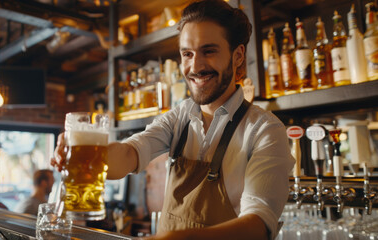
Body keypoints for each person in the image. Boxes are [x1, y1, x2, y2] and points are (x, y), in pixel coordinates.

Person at [52, 0, 294, 239]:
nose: (195, 66)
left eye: (209, 51)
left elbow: (258, 225)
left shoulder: (265, 130)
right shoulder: (180, 116)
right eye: (187, 54)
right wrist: (87, 155)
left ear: (238, 55)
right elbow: (129, 153)